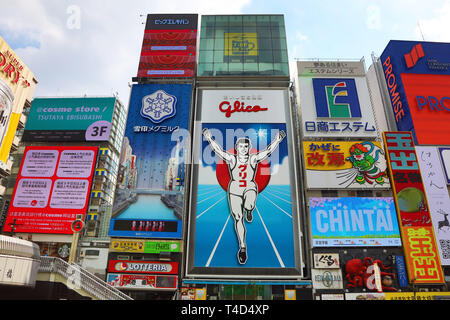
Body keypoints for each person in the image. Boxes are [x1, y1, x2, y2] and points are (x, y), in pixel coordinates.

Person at [202, 128, 286, 264]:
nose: (243, 148)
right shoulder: (232, 159)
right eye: (241, 146)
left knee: (249, 204)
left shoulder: (253, 159)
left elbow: (267, 151)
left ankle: (249, 210)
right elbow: (218, 151)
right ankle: (242, 247)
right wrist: (210, 138)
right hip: (234, 189)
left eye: (246, 146)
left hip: (249, 187)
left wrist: (277, 140)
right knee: (237, 217)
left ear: (249, 147)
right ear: (236, 148)